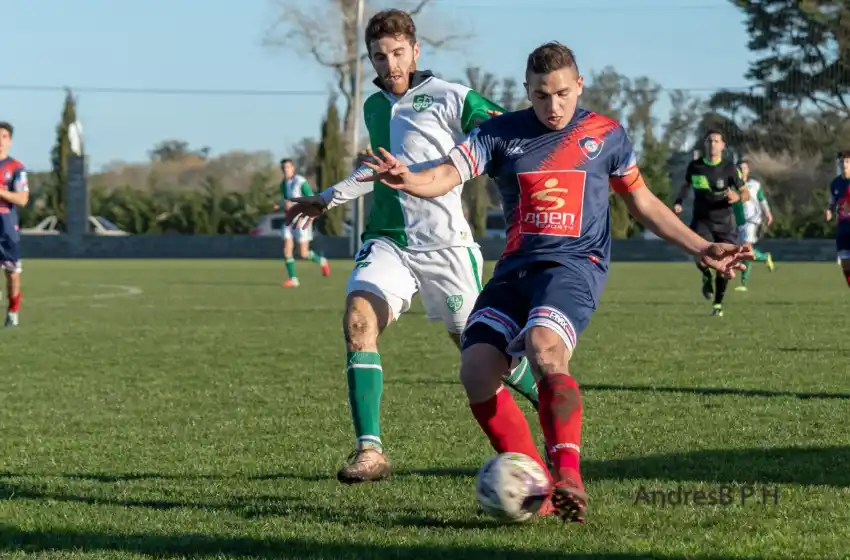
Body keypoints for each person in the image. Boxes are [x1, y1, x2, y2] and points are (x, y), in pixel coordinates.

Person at [360, 41, 752, 523]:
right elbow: (444, 173)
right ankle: (537, 489)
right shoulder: (498, 133)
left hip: (574, 266)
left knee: (546, 349)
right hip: (515, 269)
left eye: (563, 93)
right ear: (527, 91)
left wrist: (702, 247)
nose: (554, 106)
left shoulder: (605, 135)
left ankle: (568, 476)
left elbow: (643, 202)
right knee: (477, 370)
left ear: (579, 85)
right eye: (542, 96)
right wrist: (409, 178)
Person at [284, 9, 538, 484]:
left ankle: (549, 401)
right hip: (389, 242)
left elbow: (507, 131)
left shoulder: (450, 96)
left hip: (445, 246)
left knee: (480, 353)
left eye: (398, 53)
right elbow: (378, 170)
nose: (390, 63)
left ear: (416, 51)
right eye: (380, 56)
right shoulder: (374, 107)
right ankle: (370, 451)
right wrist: (326, 197)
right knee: (359, 320)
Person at [673, 131, 750, 316]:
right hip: (702, 220)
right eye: (709, 141)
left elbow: (746, 193)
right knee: (699, 256)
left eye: (716, 141)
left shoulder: (730, 168)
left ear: (723, 145)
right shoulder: (695, 166)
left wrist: (738, 197)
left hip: (725, 223)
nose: (712, 144)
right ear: (704, 144)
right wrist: (678, 202)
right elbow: (686, 185)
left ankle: (718, 304)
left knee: (725, 263)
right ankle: (706, 275)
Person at [274, 158, 330, 287]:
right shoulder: (283, 184)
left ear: (293, 168)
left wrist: (293, 203)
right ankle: (293, 279)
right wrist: (281, 204)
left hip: (302, 219)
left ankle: (322, 261)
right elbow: (286, 201)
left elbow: (311, 199)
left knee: (303, 254)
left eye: (288, 167)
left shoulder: (300, 181)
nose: (285, 170)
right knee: (286, 250)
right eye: (283, 168)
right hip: (289, 219)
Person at [0, 122, 29, 327]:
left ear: (9, 141)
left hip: (6, 227)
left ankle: (13, 311)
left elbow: (22, 199)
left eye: (3, 136)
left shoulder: (16, 168)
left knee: (12, 274)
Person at [733, 159, 774, 292]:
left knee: (746, 249)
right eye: (739, 168)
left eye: (744, 168)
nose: (742, 170)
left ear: (748, 170)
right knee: (743, 251)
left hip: (752, 219)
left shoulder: (754, 184)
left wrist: (768, 213)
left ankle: (744, 283)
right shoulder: (733, 186)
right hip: (740, 221)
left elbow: (762, 199)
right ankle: (764, 257)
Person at [826, 151, 850, 288]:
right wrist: (829, 210)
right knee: (845, 264)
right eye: (842, 162)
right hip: (843, 226)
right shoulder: (835, 183)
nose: (844, 164)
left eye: (847, 162)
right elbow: (832, 201)